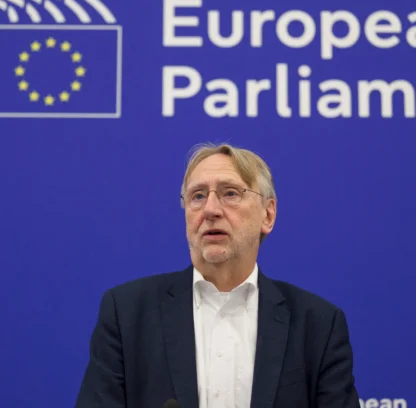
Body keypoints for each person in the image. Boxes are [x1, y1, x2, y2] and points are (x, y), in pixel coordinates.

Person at [75, 143, 360, 408]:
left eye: (230, 193)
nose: (210, 210)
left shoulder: (318, 325)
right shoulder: (127, 314)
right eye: (198, 196)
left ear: (268, 215)